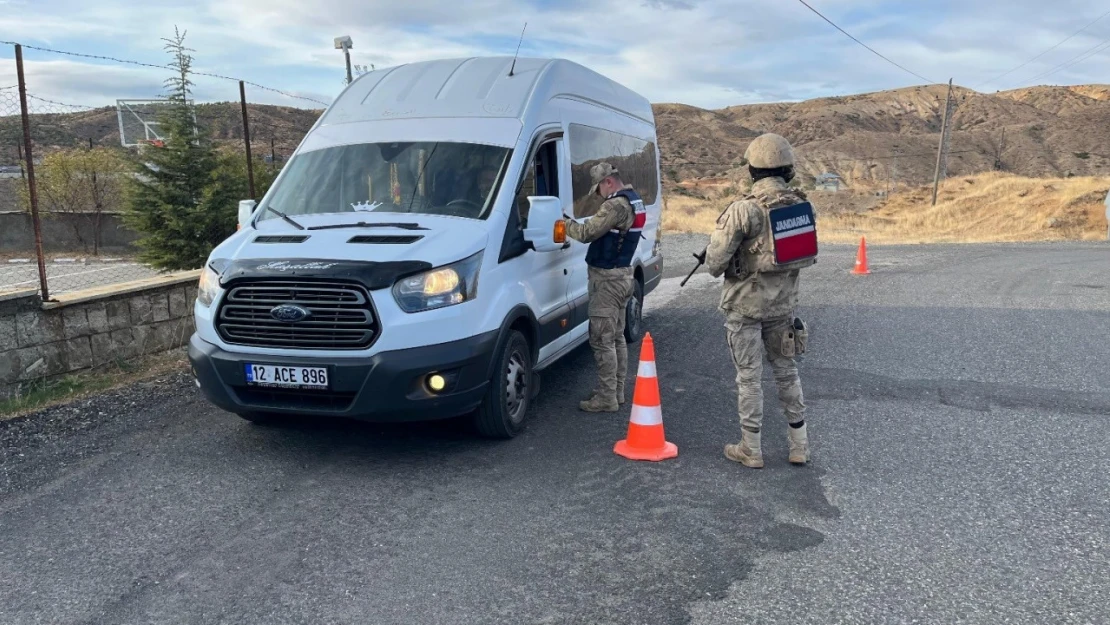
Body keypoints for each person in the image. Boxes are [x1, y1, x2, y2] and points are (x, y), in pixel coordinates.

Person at [704, 133, 816, 467]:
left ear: (752, 170)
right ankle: (800, 445)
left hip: (745, 308)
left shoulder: (745, 210)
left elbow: (714, 263)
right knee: (787, 373)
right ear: (788, 170)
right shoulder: (802, 207)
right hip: (783, 308)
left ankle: (751, 449)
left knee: (749, 379)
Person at [560, 163, 646, 412]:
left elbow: (587, 232)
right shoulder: (634, 199)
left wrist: (563, 223)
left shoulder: (615, 205)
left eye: (598, 188)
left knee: (601, 339)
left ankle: (607, 398)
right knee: (616, 336)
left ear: (608, 181)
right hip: (623, 276)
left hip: (607, 280)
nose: (598, 194)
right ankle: (615, 391)